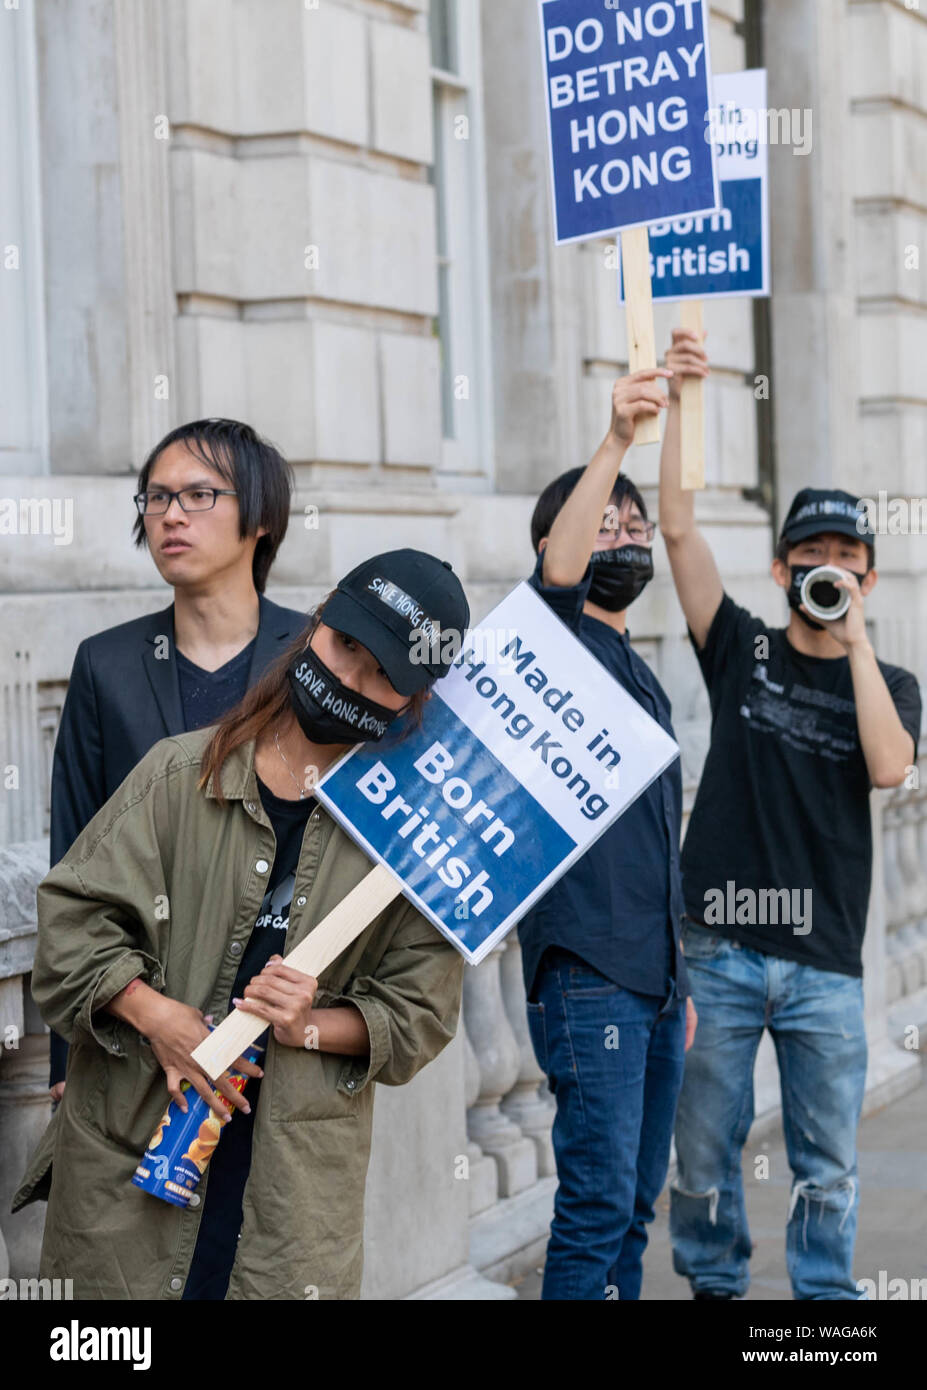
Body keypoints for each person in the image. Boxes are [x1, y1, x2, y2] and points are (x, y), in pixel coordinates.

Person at [13, 549, 471, 1301]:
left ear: (413, 698)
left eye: (381, 673)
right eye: (345, 646)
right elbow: (68, 928)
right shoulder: (176, 776)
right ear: (317, 622)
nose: (350, 680)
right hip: (129, 1170)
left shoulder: (410, 849)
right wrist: (155, 1015)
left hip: (285, 1202)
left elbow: (420, 1015)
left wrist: (312, 1024)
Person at [659, 328, 922, 1300]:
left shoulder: (888, 681)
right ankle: (715, 1289)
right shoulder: (741, 650)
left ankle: (824, 1306)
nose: (826, 569)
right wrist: (688, 398)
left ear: (867, 577)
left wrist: (853, 640)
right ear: (779, 570)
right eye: (810, 555)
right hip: (721, 943)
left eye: (845, 559)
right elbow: (679, 530)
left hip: (823, 959)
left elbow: (891, 767)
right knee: (705, 1151)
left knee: (828, 1161)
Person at [47, 418, 307, 1102]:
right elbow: (72, 857)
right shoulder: (106, 664)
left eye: (198, 496)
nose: (169, 516)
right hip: (140, 1024)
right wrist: (66, 1057)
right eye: (155, 498)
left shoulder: (312, 657)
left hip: (274, 1024)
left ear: (260, 518)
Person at [517, 366, 697, 1301]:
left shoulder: (638, 667)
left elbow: (656, 849)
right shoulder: (552, 642)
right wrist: (619, 439)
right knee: (593, 1208)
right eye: (607, 525)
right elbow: (556, 574)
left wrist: (680, 980)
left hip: (652, 982)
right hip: (588, 977)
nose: (624, 539)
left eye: (636, 529)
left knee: (632, 1204)